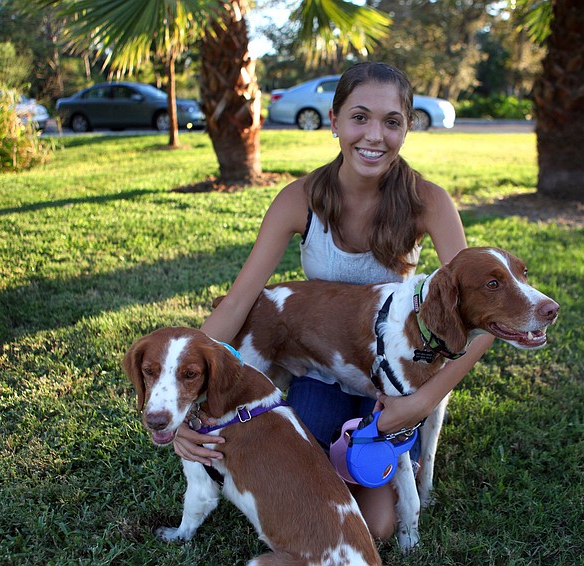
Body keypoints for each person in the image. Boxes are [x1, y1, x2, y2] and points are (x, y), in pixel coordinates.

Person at [174, 62, 494, 539]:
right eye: (359, 117)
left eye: (392, 122)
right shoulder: (298, 199)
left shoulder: (429, 201)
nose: (375, 135)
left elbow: (478, 317)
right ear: (334, 122)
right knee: (288, 475)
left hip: (395, 380)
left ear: (407, 127)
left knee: (378, 526)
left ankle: (416, 468)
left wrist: (422, 401)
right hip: (324, 366)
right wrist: (183, 400)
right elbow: (240, 301)